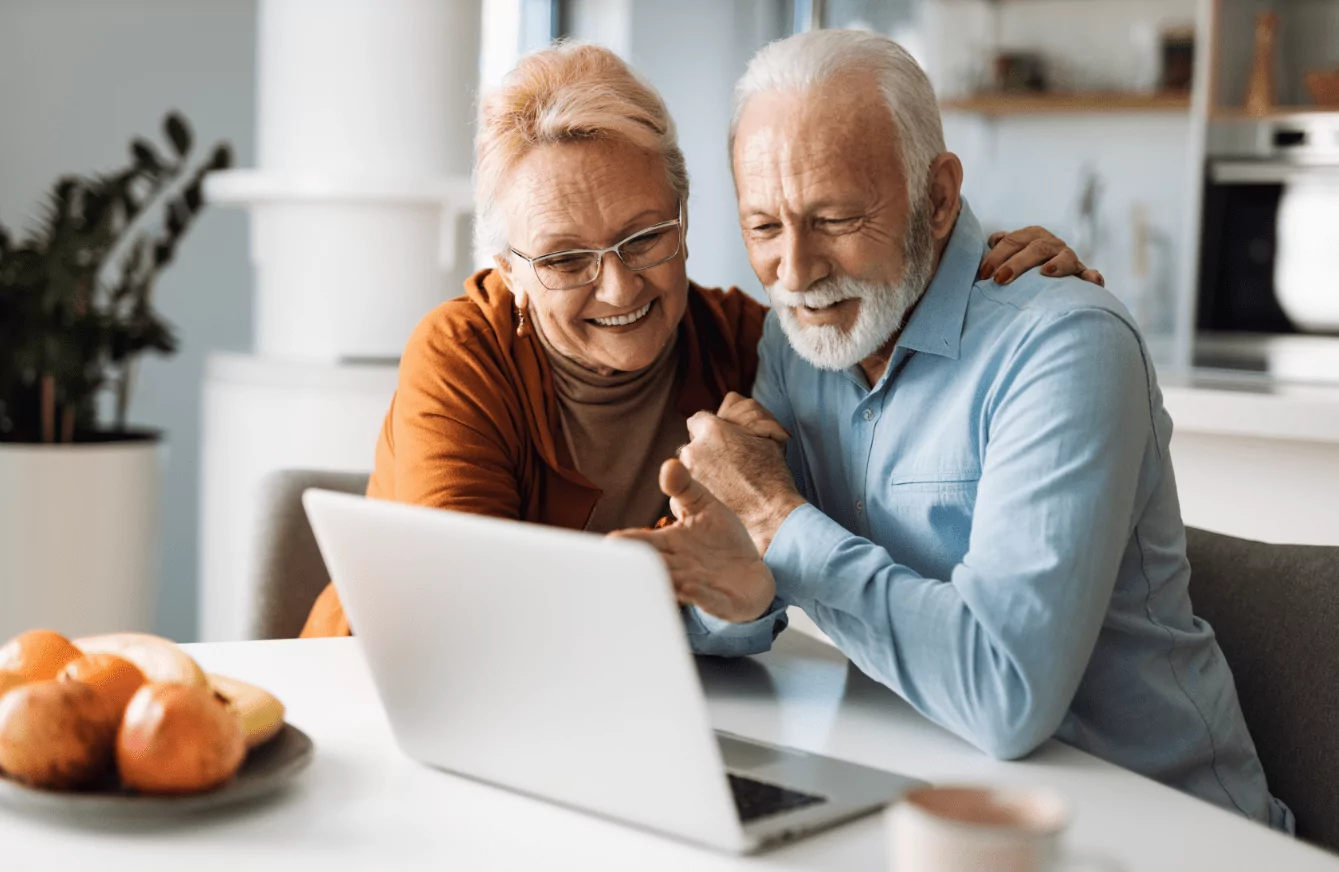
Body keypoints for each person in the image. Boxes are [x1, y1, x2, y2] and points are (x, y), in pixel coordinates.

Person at [614, 30, 1293, 831]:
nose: (793, 273)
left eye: (832, 218)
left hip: (1168, 835)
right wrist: (725, 588)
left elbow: (1004, 696)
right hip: (932, 809)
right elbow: (763, 586)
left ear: (936, 199)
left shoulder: (1063, 345)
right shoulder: (799, 341)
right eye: (764, 228)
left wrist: (775, 521)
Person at [300, 42, 1099, 640]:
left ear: (684, 222)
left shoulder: (751, 348)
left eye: (643, 237)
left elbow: (881, 314)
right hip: (382, 691)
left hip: (630, 716)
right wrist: (682, 559)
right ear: (508, 269)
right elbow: (465, 619)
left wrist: (988, 263)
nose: (618, 288)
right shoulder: (462, 354)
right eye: (565, 259)